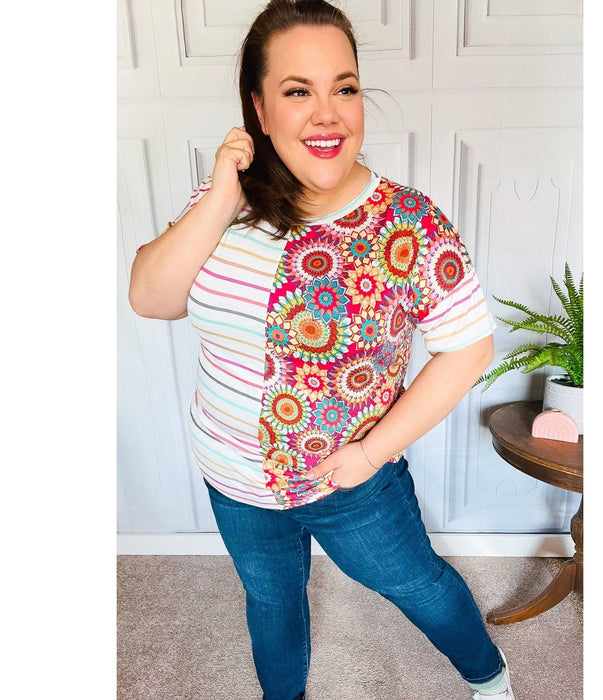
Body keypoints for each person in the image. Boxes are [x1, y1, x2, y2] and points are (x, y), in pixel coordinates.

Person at [129, 1, 515, 698]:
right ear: (259, 109)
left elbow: (469, 347)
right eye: (297, 91)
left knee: (419, 585)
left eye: (344, 87)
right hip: (233, 477)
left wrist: (371, 454)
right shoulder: (218, 207)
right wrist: (223, 193)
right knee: (272, 603)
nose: (328, 112)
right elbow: (151, 297)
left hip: (352, 484)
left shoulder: (409, 223)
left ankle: (489, 679)